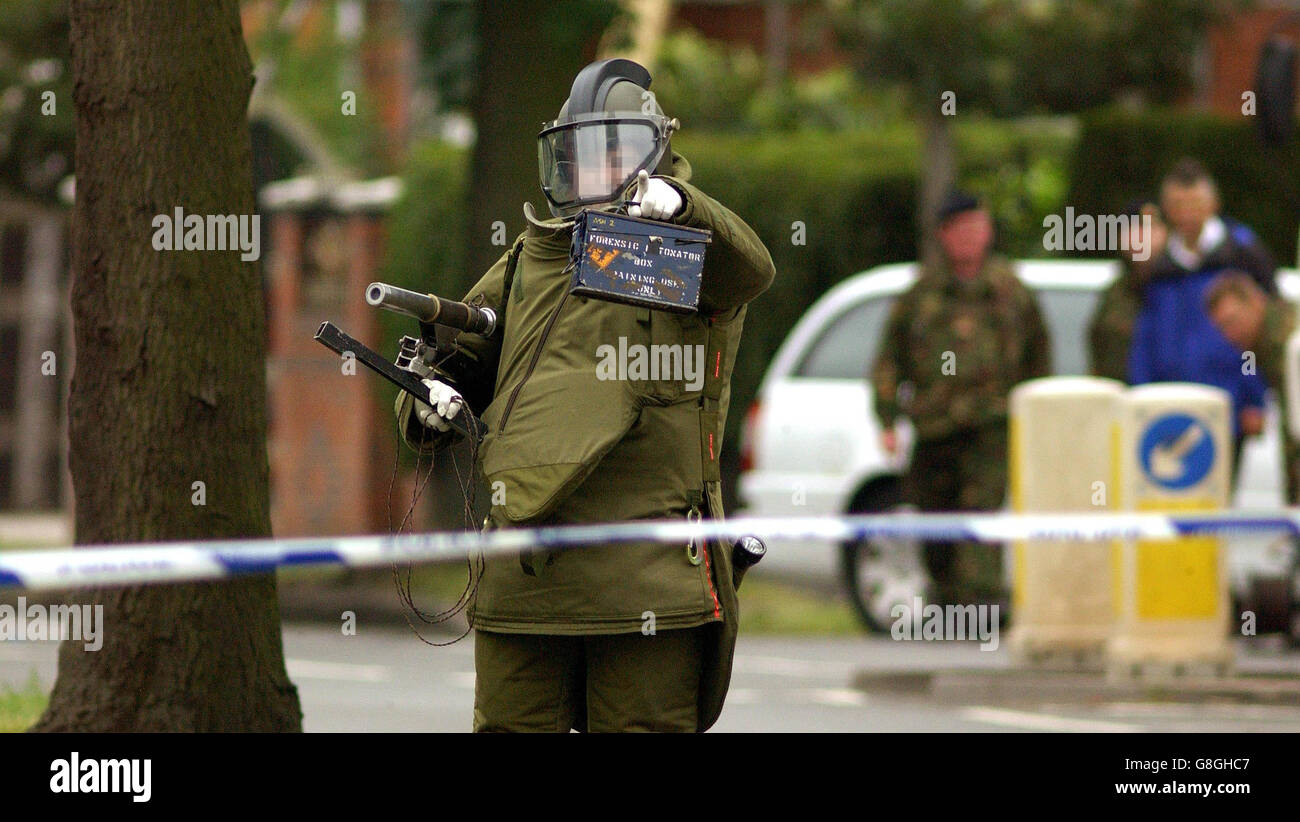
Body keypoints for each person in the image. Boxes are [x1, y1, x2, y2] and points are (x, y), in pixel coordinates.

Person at [393, 58, 775, 732]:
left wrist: (681, 212)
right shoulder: (527, 260)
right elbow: (459, 366)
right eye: (578, 154)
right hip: (524, 576)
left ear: (653, 153)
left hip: (646, 580)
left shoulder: (673, 252)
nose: (593, 171)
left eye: (612, 152)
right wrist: (424, 400)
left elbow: (748, 271)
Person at [871, 191, 1051, 607]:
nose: (971, 237)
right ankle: (945, 598)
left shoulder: (1012, 291)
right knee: (935, 518)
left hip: (992, 426)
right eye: (961, 229)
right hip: (935, 427)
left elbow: (1038, 360)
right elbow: (888, 361)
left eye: (978, 227)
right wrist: (887, 419)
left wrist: (1035, 418)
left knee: (980, 514)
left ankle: (981, 605)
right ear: (944, 236)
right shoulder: (920, 295)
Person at [1129, 159, 1277, 475]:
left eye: (1194, 203)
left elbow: (1257, 338)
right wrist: (1138, 392)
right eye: (1177, 204)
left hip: (1226, 408)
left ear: (1213, 204)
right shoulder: (1157, 264)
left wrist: (1254, 396)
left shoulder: (1243, 253)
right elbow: (1144, 335)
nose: (1186, 213)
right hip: (1164, 408)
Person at [1087, 200, 1166, 381]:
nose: (1141, 236)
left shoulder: (1181, 287)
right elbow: (1097, 350)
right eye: (1133, 228)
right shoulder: (1114, 293)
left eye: (1150, 228)